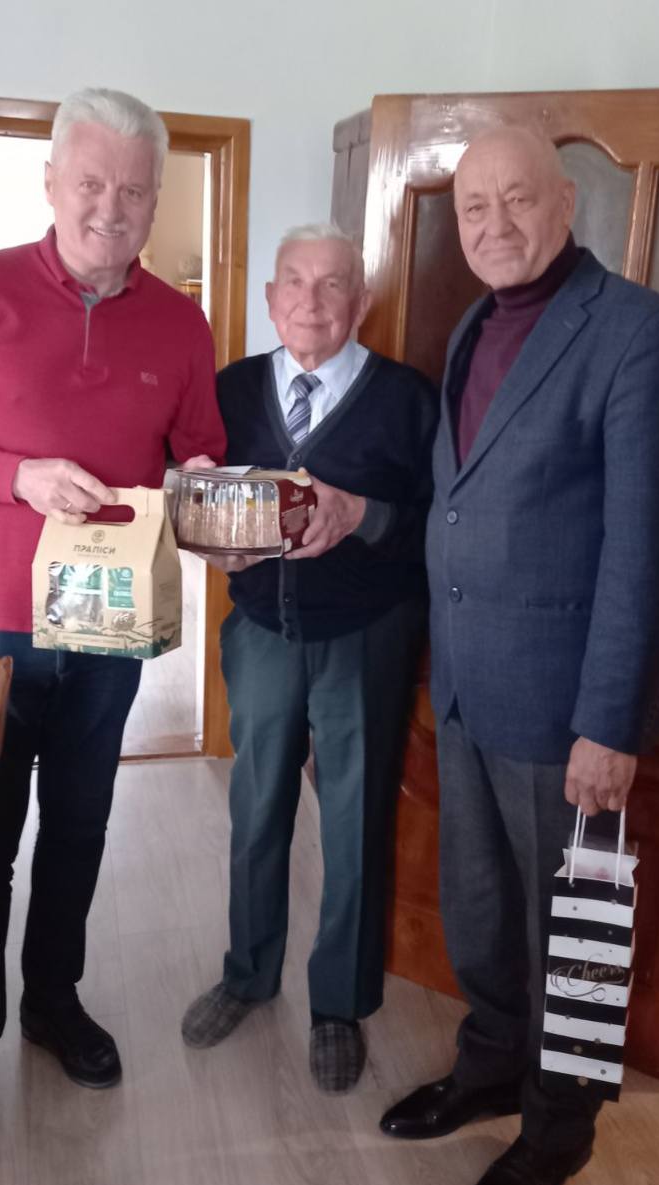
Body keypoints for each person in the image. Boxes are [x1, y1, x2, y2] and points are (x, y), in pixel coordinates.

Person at [0, 86, 225, 1167]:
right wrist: (13, 474)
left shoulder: (179, 321)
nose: (110, 207)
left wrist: (216, 497)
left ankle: (53, 1001)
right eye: (90, 183)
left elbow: (197, 449)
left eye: (133, 190)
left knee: (80, 826)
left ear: (155, 197)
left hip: (107, 629)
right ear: (51, 183)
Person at [378, 127, 659, 1185]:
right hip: (467, 691)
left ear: (567, 202)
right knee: (479, 912)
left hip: (570, 711)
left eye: (516, 200)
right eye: (473, 208)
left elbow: (647, 550)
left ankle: (559, 1125)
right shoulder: (473, 325)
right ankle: (488, 1065)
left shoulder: (641, 334)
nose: (493, 225)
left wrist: (610, 724)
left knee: (577, 927)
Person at [180, 223, 438, 1092]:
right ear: (269, 298)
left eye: (332, 285)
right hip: (260, 630)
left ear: (360, 302)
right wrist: (211, 538)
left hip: (365, 636)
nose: (311, 302)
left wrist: (360, 513)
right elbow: (197, 497)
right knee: (255, 807)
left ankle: (339, 1004)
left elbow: (440, 525)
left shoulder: (406, 399)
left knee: (356, 820)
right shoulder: (229, 389)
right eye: (294, 281)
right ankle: (248, 973)